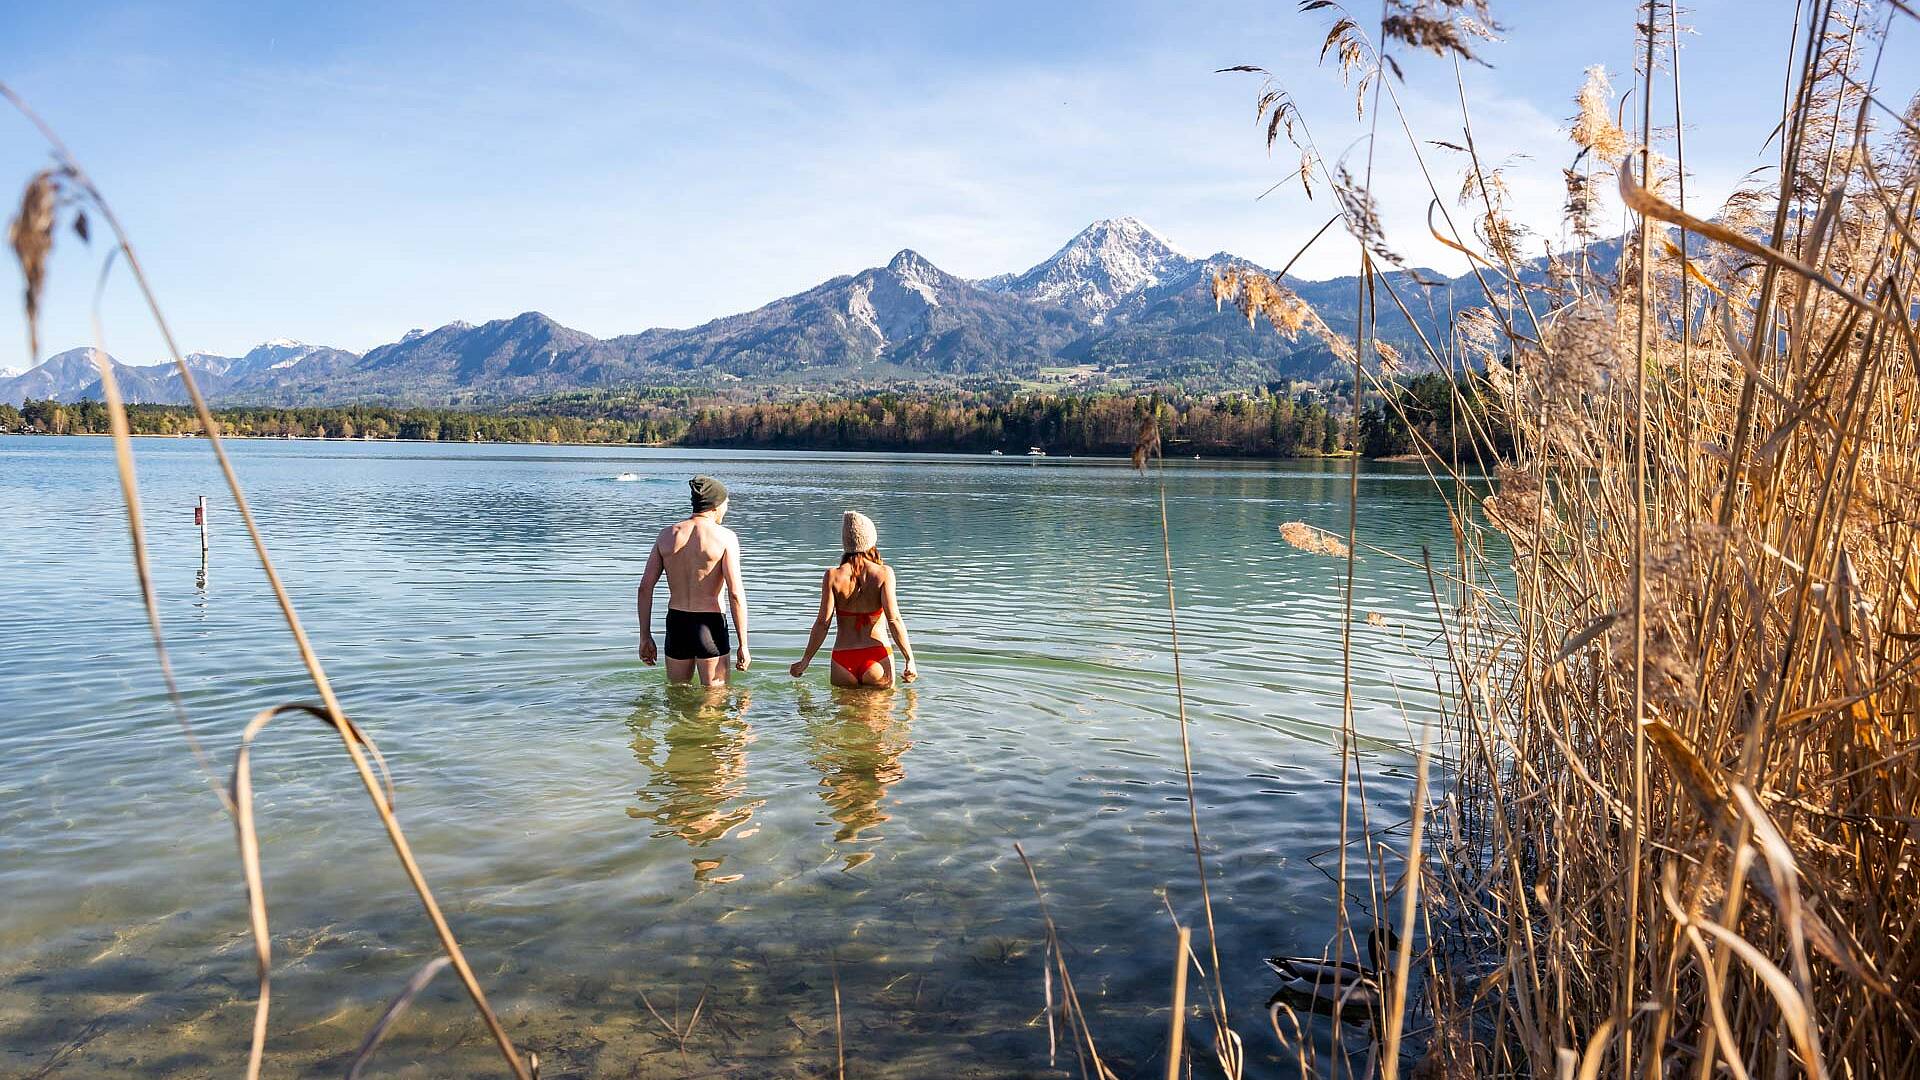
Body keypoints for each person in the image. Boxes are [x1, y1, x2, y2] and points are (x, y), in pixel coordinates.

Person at [639, 475, 751, 685]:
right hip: (710, 624)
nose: (727, 509)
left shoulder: (666, 535)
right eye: (726, 504)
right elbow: (735, 593)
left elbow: (645, 588)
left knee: (677, 695)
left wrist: (644, 636)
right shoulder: (725, 537)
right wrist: (743, 644)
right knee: (714, 703)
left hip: (677, 623)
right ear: (716, 505)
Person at [790, 511, 917, 688]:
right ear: (871, 540)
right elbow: (894, 619)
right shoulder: (883, 574)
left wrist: (805, 660)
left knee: (846, 715)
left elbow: (822, 623)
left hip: (842, 660)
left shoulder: (832, 576)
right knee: (879, 715)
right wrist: (909, 659)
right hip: (876, 657)